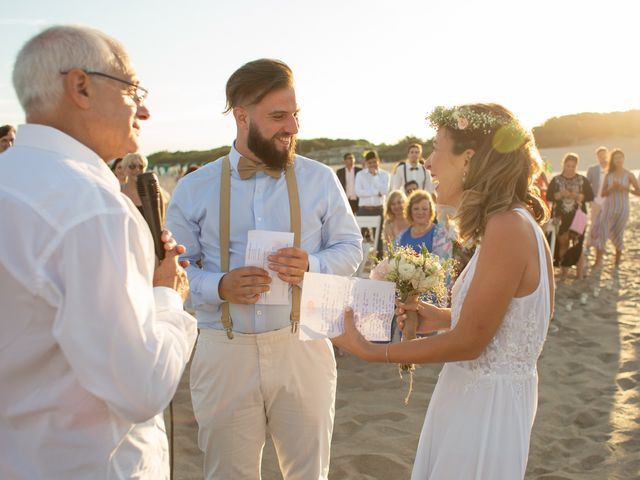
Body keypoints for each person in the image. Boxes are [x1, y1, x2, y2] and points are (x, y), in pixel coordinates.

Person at [0, 25, 197, 479]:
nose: (143, 109)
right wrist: (167, 296)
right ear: (81, 87)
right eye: (133, 89)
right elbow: (141, 386)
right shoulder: (92, 207)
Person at [333, 103, 554, 480]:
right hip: (478, 396)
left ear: (468, 159)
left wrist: (373, 352)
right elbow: (513, 324)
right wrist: (441, 317)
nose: (430, 163)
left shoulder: (508, 226)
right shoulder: (514, 222)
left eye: (436, 147)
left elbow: (470, 343)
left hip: (484, 408)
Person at [166, 58, 362, 480]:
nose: (291, 126)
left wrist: (315, 264)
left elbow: (351, 246)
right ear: (240, 115)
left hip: (304, 346)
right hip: (223, 349)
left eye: (295, 114)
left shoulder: (321, 179)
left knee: (309, 471)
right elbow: (175, 271)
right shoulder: (194, 188)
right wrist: (219, 285)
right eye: (277, 116)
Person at [590, 148, 640, 268]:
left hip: (623, 209)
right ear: (613, 160)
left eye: (621, 157)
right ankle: (598, 261)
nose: (619, 160)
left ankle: (617, 262)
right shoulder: (609, 175)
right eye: (616, 158)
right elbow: (602, 194)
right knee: (603, 232)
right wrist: (611, 188)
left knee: (619, 233)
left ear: (624, 159)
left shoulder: (629, 175)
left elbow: (638, 192)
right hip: (608, 208)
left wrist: (625, 188)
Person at [546, 153, 594, 278]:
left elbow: (590, 196)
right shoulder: (556, 180)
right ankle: (564, 272)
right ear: (564, 164)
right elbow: (548, 196)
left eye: (573, 166)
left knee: (578, 243)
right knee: (563, 243)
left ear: (576, 166)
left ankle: (579, 274)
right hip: (560, 216)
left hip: (579, 215)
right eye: (568, 166)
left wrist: (579, 196)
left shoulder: (582, 180)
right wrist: (559, 194)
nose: (570, 168)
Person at [586, 146, 609, 224]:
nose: (602, 157)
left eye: (604, 155)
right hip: (596, 200)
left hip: (609, 200)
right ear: (597, 157)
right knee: (594, 223)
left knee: (607, 224)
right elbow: (587, 185)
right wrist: (590, 201)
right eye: (600, 155)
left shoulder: (612, 168)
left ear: (607, 155)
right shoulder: (592, 169)